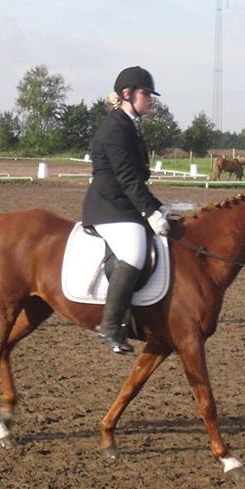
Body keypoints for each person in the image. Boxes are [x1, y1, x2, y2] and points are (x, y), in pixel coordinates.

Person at [82, 66, 171, 355]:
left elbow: (135, 177)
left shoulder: (130, 124)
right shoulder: (115, 127)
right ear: (127, 94)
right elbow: (127, 177)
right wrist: (149, 213)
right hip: (109, 205)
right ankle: (110, 325)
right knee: (133, 253)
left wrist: (157, 208)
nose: (151, 99)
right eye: (146, 93)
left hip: (124, 204)